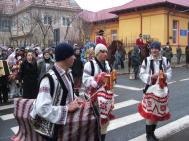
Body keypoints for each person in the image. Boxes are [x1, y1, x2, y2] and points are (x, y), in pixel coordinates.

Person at [30, 43, 82, 141]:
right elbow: (42, 108)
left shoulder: (68, 74)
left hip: (65, 130)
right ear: (65, 57)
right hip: (51, 132)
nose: (74, 57)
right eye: (72, 55)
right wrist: (67, 108)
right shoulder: (48, 79)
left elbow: (67, 93)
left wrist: (76, 99)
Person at [138, 41, 172, 141]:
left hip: (161, 91)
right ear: (150, 49)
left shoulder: (165, 60)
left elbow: (170, 72)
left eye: (156, 48)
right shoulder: (146, 60)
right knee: (150, 113)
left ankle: (152, 134)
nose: (154, 50)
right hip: (150, 90)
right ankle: (148, 136)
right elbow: (141, 74)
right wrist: (151, 77)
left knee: (158, 113)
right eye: (152, 48)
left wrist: (165, 75)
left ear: (159, 49)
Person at [82, 43, 114, 141]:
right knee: (94, 121)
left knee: (105, 121)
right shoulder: (89, 64)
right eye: (102, 51)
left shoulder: (107, 64)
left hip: (105, 97)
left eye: (106, 52)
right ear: (97, 53)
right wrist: (96, 80)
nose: (105, 54)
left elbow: (109, 78)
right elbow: (85, 79)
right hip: (93, 97)